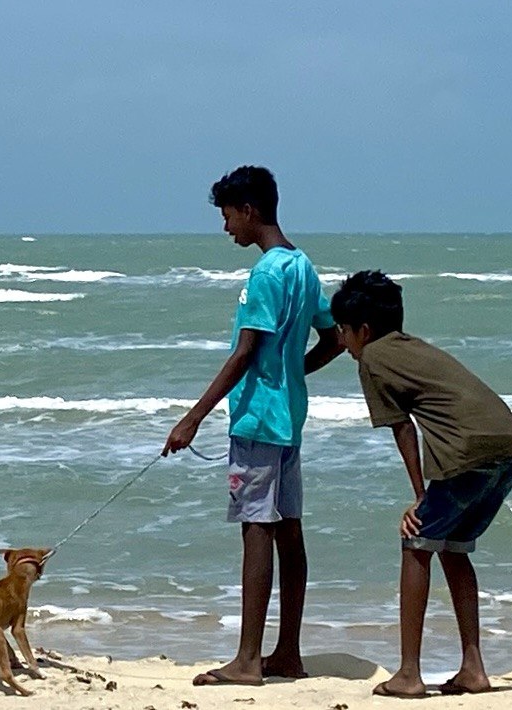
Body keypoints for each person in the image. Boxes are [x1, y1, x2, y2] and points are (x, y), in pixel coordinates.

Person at [163, 165, 344, 686]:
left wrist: (192, 417)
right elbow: (334, 338)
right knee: (289, 529)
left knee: (256, 529)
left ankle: (247, 660)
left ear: (249, 210)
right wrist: (293, 374)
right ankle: (287, 653)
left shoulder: (265, 274)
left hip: (258, 419)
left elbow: (245, 352)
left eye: (228, 216)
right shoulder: (302, 267)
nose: (226, 228)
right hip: (289, 417)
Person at [331, 270, 512, 698]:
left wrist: (420, 497)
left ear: (364, 331)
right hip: (510, 446)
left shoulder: (373, 358)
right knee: (453, 550)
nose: (341, 341)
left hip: (467, 452)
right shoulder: (412, 346)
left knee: (416, 543)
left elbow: (403, 429)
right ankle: (473, 669)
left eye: (343, 331)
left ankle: (408, 674)